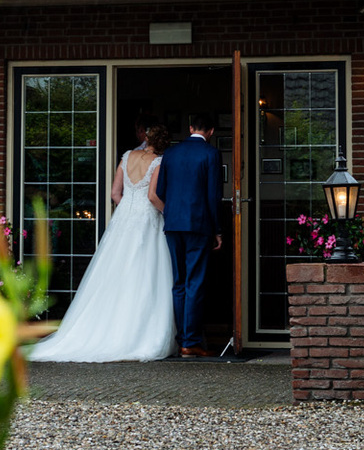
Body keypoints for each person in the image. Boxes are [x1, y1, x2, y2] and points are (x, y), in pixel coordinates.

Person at [26, 125, 175, 363]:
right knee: (144, 272)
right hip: (147, 219)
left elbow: (115, 194)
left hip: (124, 217)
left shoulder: (127, 156)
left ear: (146, 139)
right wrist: (168, 212)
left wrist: (128, 207)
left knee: (113, 271)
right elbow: (152, 197)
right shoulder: (158, 162)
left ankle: (102, 326)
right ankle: (136, 331)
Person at [155, 113, 224, 358]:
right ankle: (191, 341)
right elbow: (213, 196)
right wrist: (217, 230)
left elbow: (160, 190)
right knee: (195, 281)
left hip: (173, 224)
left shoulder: (171, 154)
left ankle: (182, 338)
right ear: (212, 131)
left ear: (191, 127)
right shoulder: (211, 154)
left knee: (179, 282)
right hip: (198, 225)